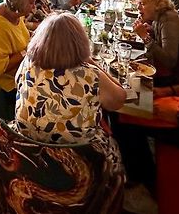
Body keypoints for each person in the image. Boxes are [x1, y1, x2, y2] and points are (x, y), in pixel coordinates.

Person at [15, 12, 125, 173]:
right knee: (113, 146)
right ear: (80, 43)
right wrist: (91, 62)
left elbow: (16, 84)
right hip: (78, 155)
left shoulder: (28, 63)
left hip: (27, 146)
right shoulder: (91, 75)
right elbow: (119, 100)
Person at [133, 0, 179, 86]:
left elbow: (170, 61)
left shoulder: (168, 19)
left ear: (156, 5)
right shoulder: (158, 17)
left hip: (169, 80)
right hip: (160, 72)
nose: (138, 7)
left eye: (143, 4)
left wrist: (145, 37)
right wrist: (153, 31)